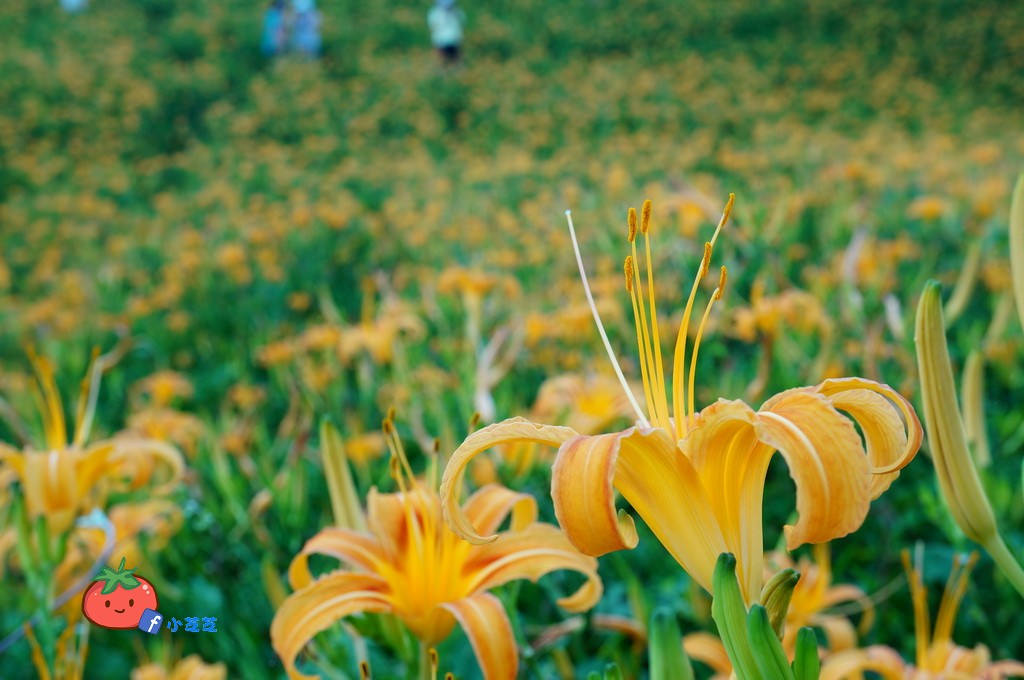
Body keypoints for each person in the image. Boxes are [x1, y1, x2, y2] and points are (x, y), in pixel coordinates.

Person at [428, 0, 465, 65]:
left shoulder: (456, 11)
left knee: (455, 59)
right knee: (442, 59)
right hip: (441, 40)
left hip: (454, 39)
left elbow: (462, 21)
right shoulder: (436, 13)